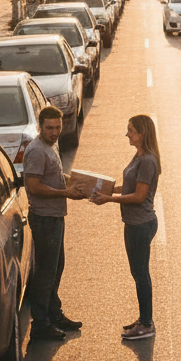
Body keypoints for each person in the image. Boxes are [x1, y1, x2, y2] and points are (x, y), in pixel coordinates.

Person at [92, 114, 161, 341]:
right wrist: (111, 190)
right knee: (137, 272)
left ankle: (147, 323)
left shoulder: (148, 160)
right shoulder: (139, 156)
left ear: (142, 134)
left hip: (141, 224)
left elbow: (140, 196)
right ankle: (143, 318)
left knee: (141, 274)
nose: (127, 134)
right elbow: (131, 187)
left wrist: (109, 200)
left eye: (131, 130)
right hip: (132, 223)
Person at [23, 106, 85, 340]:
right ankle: (40, 324)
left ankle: (54, 313)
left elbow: (54, 177)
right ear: (40, 127)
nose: (55, 132)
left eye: (58, 127)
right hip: (45, 218)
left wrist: (77, 183)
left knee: (57, 267)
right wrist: (66, 194)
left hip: (55, 216)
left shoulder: (51, 146)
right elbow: (34, 186)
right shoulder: (37, 151)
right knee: (46, 272)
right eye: (50, 128)